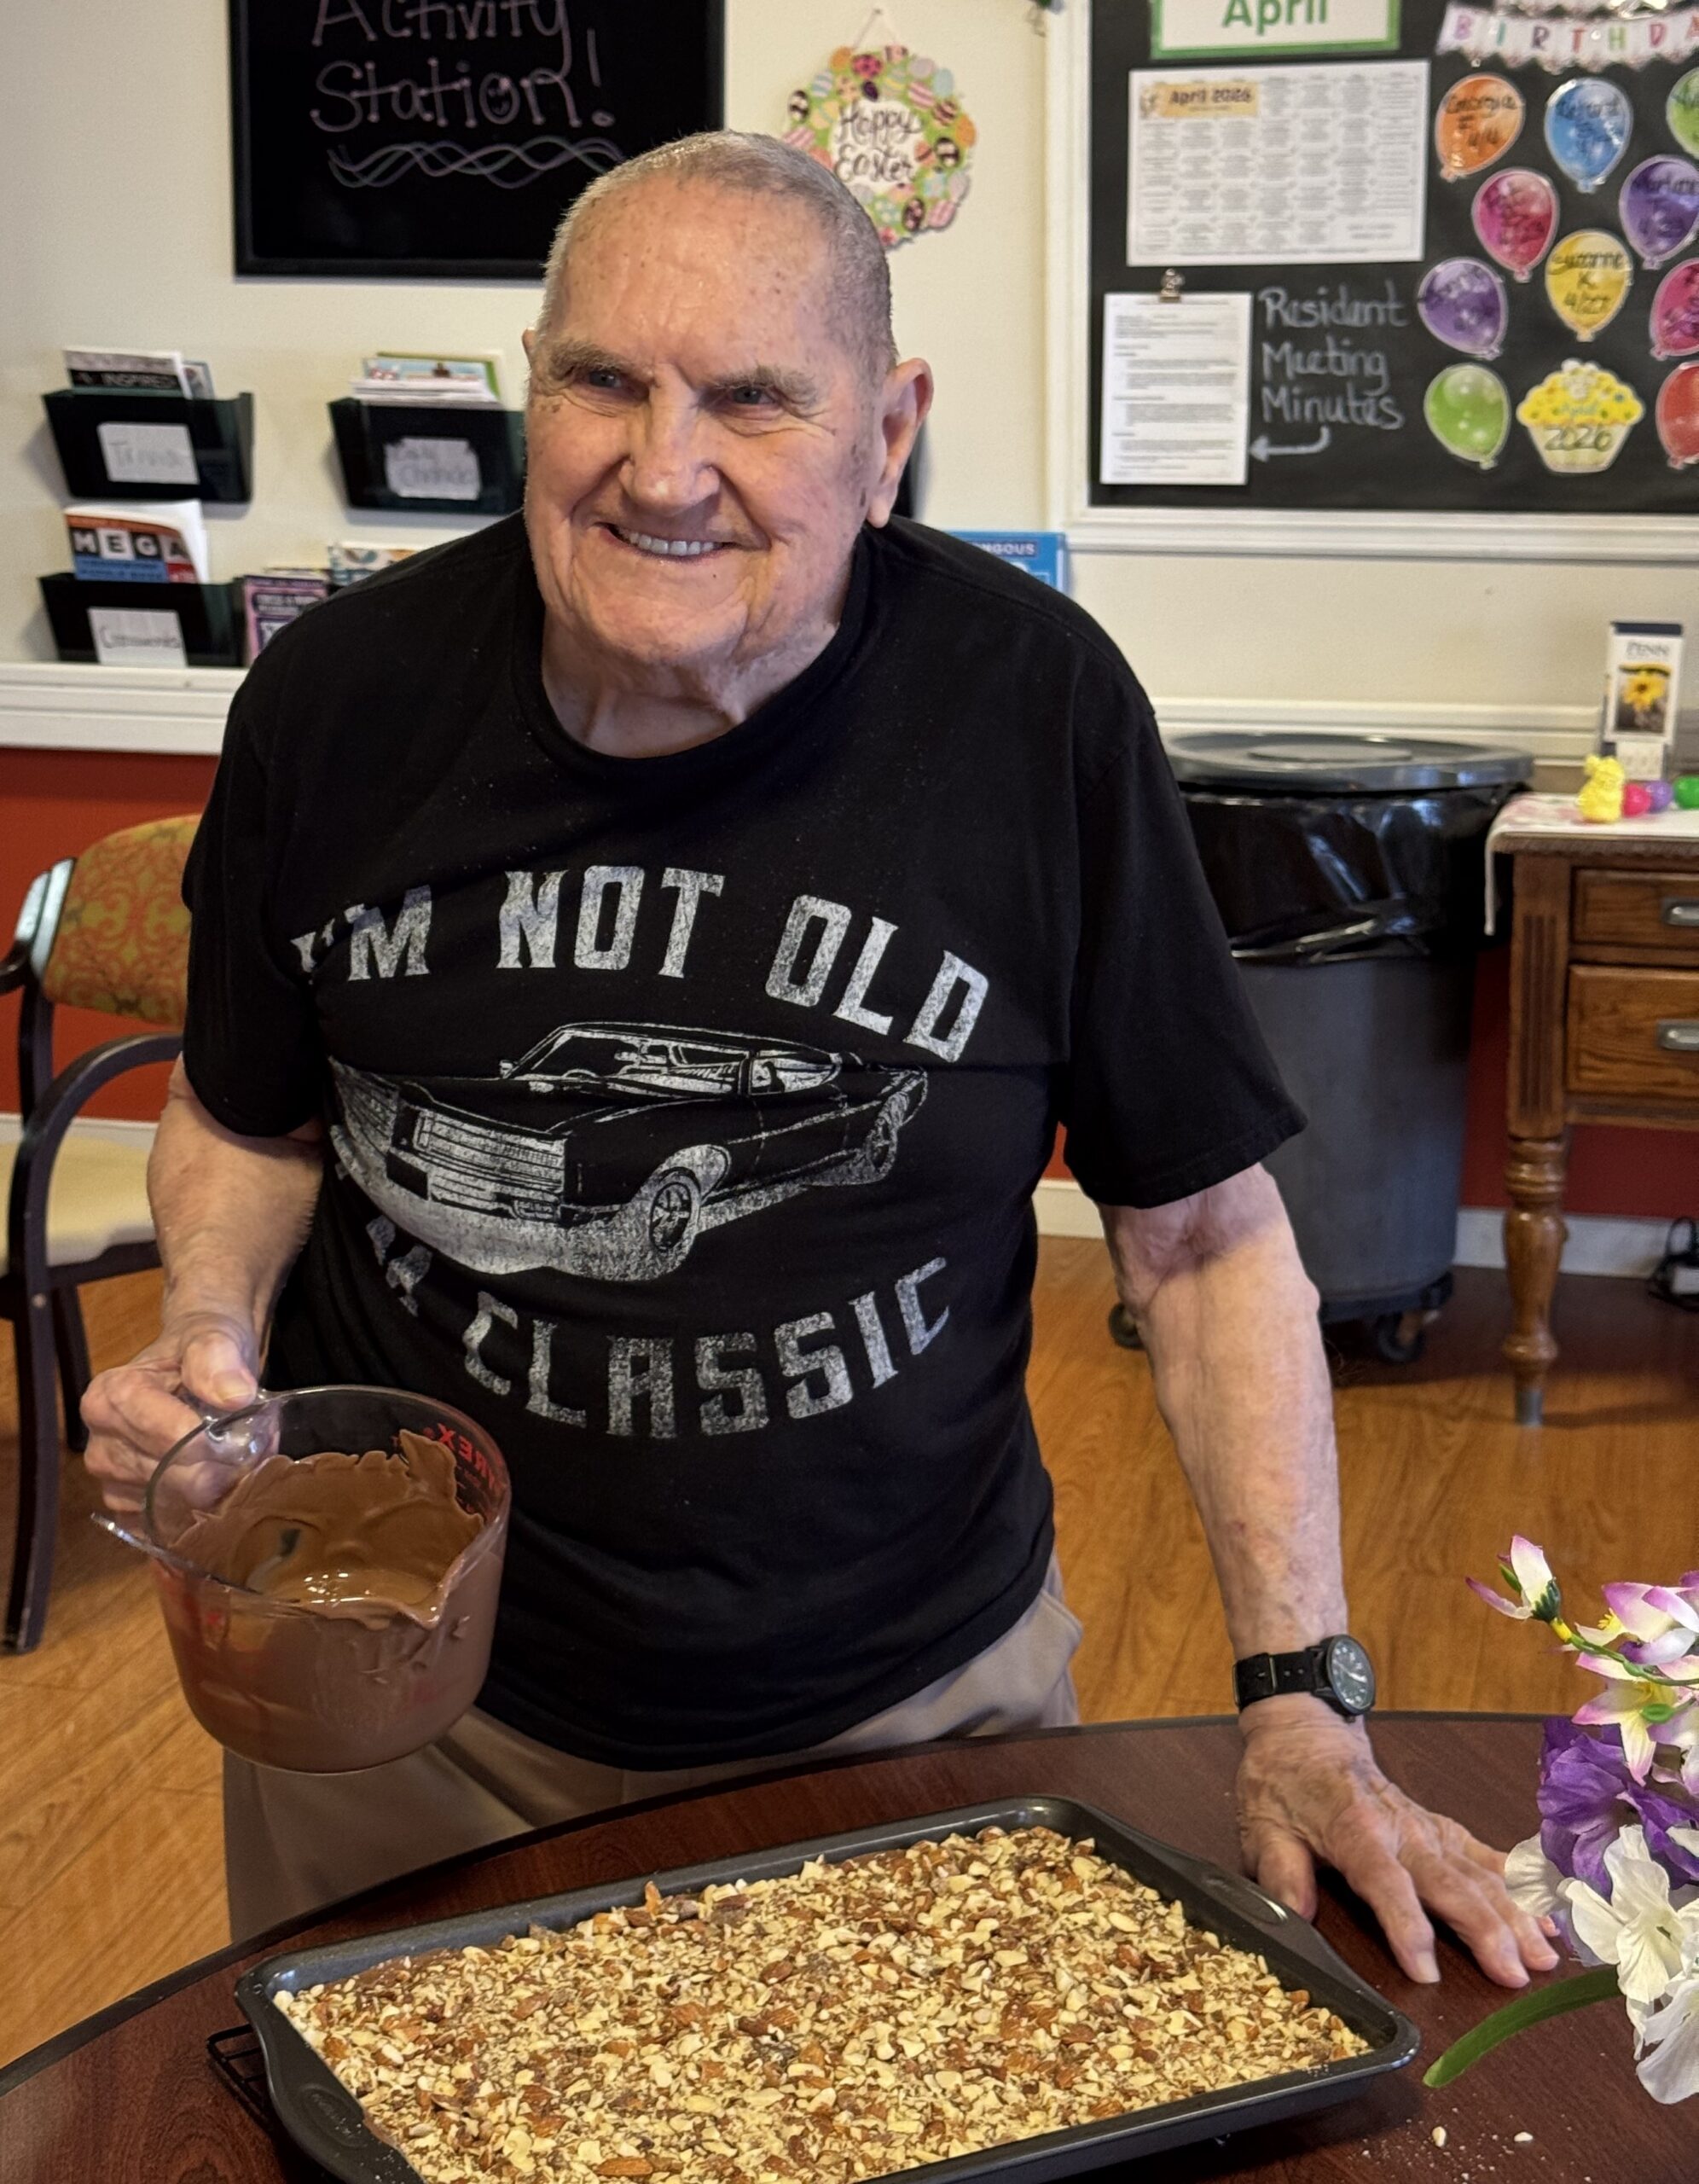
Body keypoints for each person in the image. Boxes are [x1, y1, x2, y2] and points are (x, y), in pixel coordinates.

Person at [84, 133, 1555, 1991]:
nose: (662, 465)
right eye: (601, 380)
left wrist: (1302, 1698)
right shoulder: (339, 699)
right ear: (532, 386)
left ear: (887, 430)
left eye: (753, 398)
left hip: (914, 1707)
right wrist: (206, 1328)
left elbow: (1203, 1240)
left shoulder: (1037, 714)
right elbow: (251, 1114)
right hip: (413, 1703)